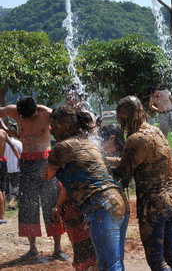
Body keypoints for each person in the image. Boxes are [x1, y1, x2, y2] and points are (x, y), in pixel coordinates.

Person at [42, 105, 129, 270]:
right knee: (108, 263)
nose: (51, 129)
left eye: (52, 125)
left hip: (101, 206)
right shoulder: (89, 143)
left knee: (110, 265)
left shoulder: (62, 148)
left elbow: (46, 175)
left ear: (61, 125)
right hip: (118, 202)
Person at [113, 96, 172, 270]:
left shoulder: (135, 139)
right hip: (171, 201)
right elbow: (137, 161)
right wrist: (107, 159)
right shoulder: (155, 131)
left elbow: (122, 175)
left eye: (122, 121)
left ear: (127, 117)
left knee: (156, 261)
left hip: (153, 207)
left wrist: (99, 166)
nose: (123, 126)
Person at [0, 96, 67, 259]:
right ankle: (32, 248)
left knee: (51, 203)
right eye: (22, 116)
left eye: (28, 116)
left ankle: (58, 249)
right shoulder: (15, 112)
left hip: (45, 162)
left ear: (35, 110)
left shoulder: (46, 114)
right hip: (27, 163)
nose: (25, 119)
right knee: (28, 205)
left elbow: (66, 121)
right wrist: (8, 132)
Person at [148, 86, 172, 158]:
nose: (152, 96)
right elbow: (150, 106)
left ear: (155, 91)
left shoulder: (166, 92)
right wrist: (158, 110)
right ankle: (164, 151)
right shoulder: (153, 98)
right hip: (162, 115)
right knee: (163, 134)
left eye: (152, 94)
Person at [0, 124, 20, 223]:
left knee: (3, 189)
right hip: (5, 163)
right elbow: (13, 146)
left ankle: (2, 215)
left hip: (4, 163)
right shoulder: (3, 134)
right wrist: (19, 159)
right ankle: (3, 214)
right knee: (4, 189)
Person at [4, 124, 22, 211]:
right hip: (16, 168)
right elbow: (21, 156)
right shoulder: (18, 143)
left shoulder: (2, 142)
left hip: (5, 168)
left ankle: (3, 206)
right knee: (17, 186)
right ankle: (11, 202)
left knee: (5, 188)